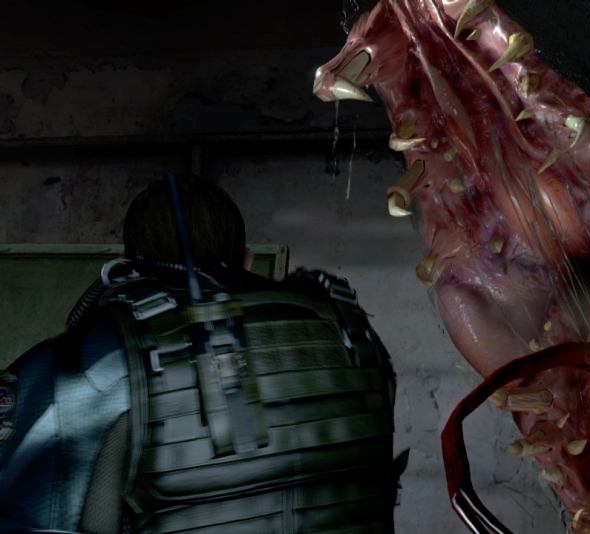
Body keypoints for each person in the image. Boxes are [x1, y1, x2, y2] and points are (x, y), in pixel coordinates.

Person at [0, 175, 400, 534]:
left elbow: (29, 508)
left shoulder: (101, 353)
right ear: (247, 259)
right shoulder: (351, 331)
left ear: (125, 263)